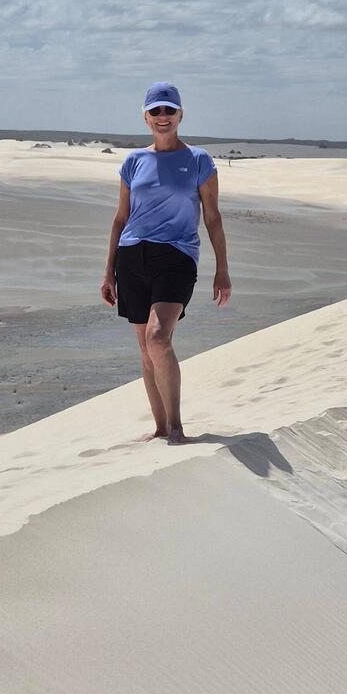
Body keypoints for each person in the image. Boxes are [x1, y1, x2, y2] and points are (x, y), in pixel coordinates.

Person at [101, 82, 231, 444]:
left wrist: (222, 269)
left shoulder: (199, 161)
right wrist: (108, 271)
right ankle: (160, 428)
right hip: (132, 256)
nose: (162, 117)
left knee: (159, 338)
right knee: (145, 348)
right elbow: (119, 218)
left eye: (168, 111)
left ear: (180, 115)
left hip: (177, 256)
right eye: (155, 111)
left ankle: (176, 427)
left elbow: (213, 218)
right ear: (145, 117)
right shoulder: (133, 161)